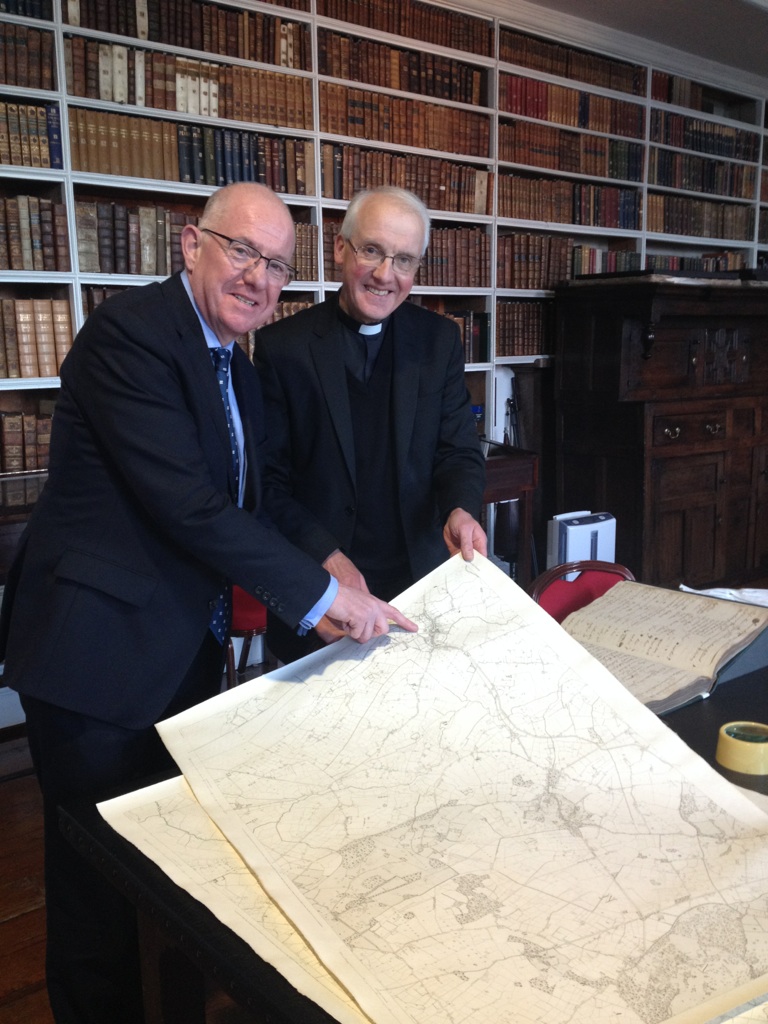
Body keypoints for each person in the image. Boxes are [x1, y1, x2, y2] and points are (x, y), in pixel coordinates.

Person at [0, 182, 416, 1024]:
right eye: (242, 251)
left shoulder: (238, 366)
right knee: (95, 889)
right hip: (95, 662)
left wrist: (329, 558)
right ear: (192, 244)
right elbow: (190, 506)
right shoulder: (131, 337)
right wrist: (319, 596)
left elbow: (256, 501)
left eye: (276, 265)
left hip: (178, 655)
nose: (258, 278)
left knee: (169, 871)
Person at [255, 186, 487, 663]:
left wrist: (460, 508)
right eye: (372, 251)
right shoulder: (283, 348)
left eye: (404, 260)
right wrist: (326, 557)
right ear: (341, 248)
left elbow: (457, 449)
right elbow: (268, 482)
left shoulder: (438, 340)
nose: (386, 275)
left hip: (419, 587)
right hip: (322, 592)